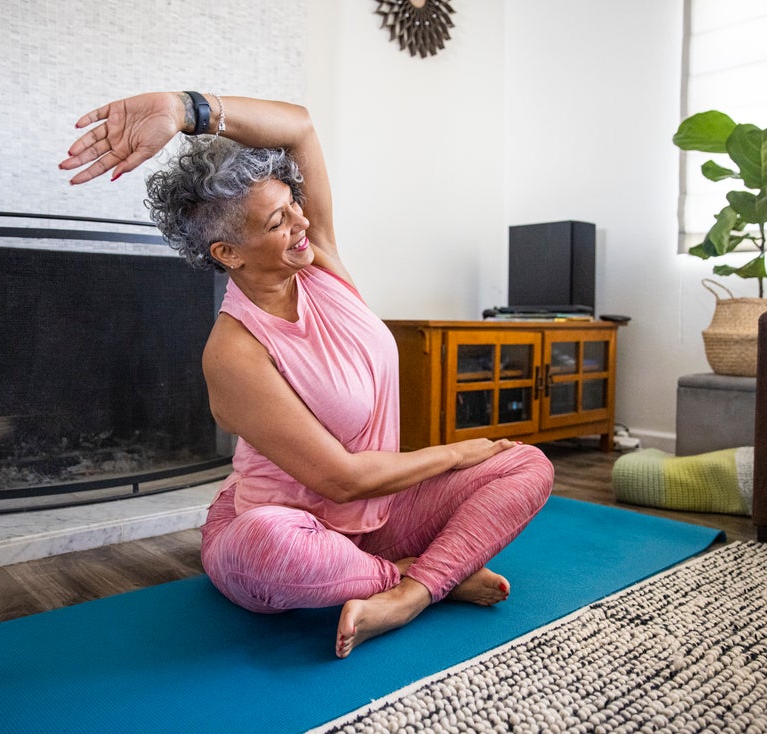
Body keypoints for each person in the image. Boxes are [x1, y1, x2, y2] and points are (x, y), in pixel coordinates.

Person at [59, 91, 555, 658]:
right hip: (289, 529)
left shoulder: (318, 258)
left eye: (293, 202)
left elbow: (300, 128)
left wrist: (183, 109)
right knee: (268, 548)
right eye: (277, 220)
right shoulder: (234, 352)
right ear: (230, 253)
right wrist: (457, 453)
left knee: (527, 464)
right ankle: (414, 577)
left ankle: (412, 589)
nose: (301, 220)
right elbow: (341, 480)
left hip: (382, 512)